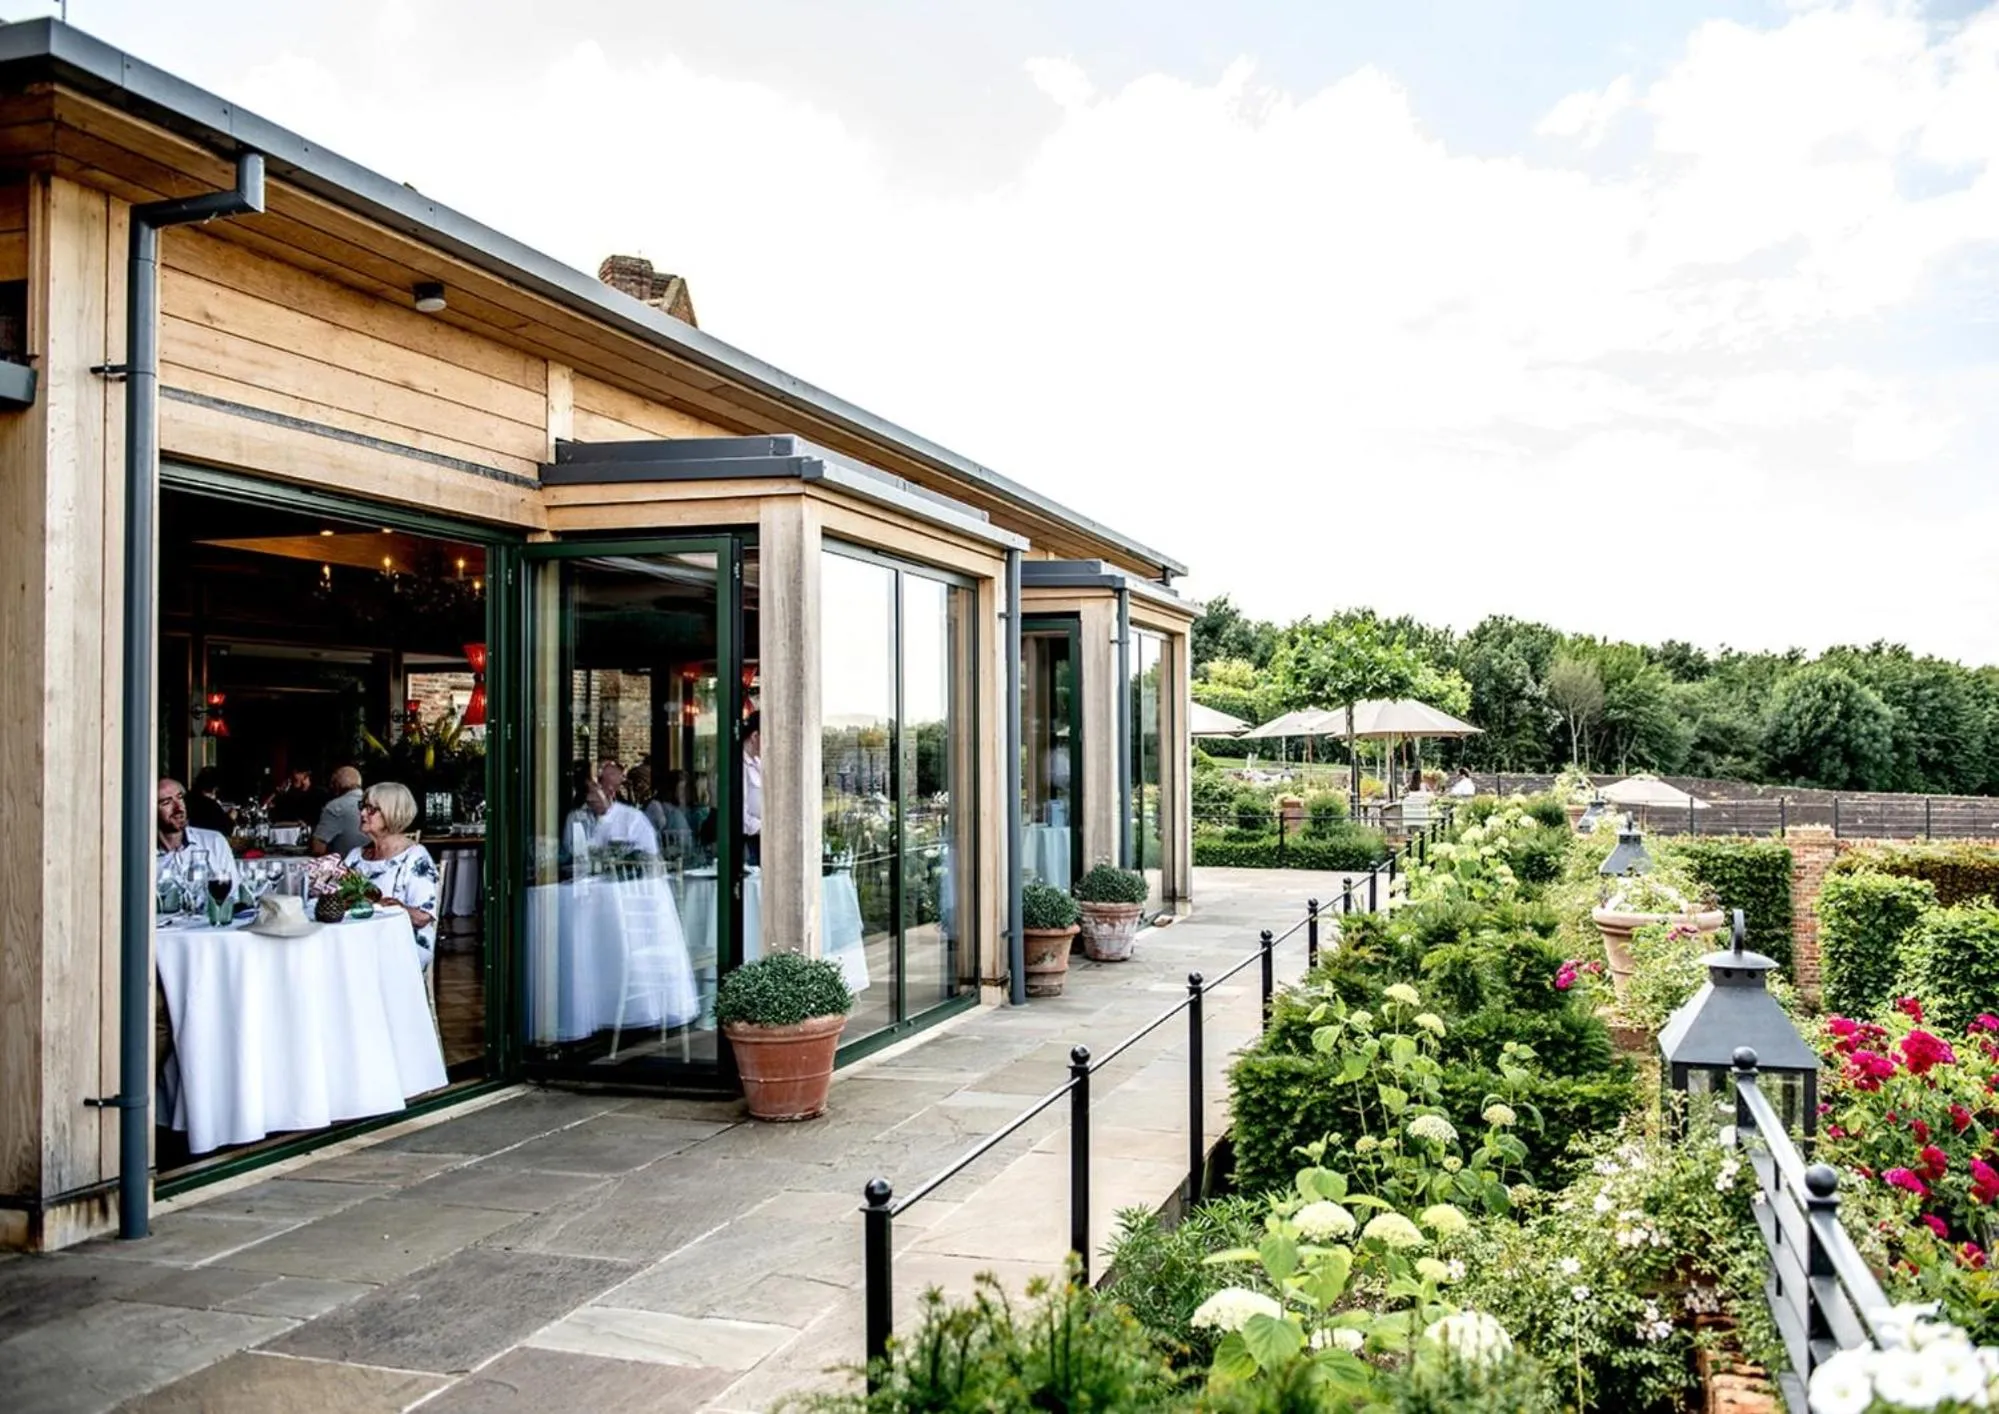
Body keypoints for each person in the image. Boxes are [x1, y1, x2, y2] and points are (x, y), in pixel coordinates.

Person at [344, 782, 440, 971]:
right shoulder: (355, 856)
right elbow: (338, 901)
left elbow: (422, 917)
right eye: (362, 806)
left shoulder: (414, 856)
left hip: (400, 946)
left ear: (392, 813)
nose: (362, 813)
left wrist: (394, 908)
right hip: (355, 940)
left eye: (371, 809)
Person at [157, 777, 236, 890]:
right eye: (166, 802)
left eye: (180, 798)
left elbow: (233, 896)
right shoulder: (142, 856)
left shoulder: (214, 842)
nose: (178, 807)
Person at [566, 777, 661, 865]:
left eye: (594, 792)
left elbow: (650, 855)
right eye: (587, 793)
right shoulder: (578, 817)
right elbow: (569, 849)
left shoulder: (633, 818)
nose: (589, 798)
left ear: (610, 792)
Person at [311, 765, 368, 858]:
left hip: (344, 866)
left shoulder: (335, 806)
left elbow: (317, 848)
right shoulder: (375, 803)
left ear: (336, 785)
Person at [186, 767, 235, 835]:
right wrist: (230, 818)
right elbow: (225, 831)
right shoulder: (210, 806)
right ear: (215, 788)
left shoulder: (187, 799)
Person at [742, 711, 763, 866]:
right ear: (755, 736)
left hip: (764, 837)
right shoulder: (739, 765)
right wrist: (765, 827)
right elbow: (740, 813)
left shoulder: (759, 763)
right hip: (748, 841)